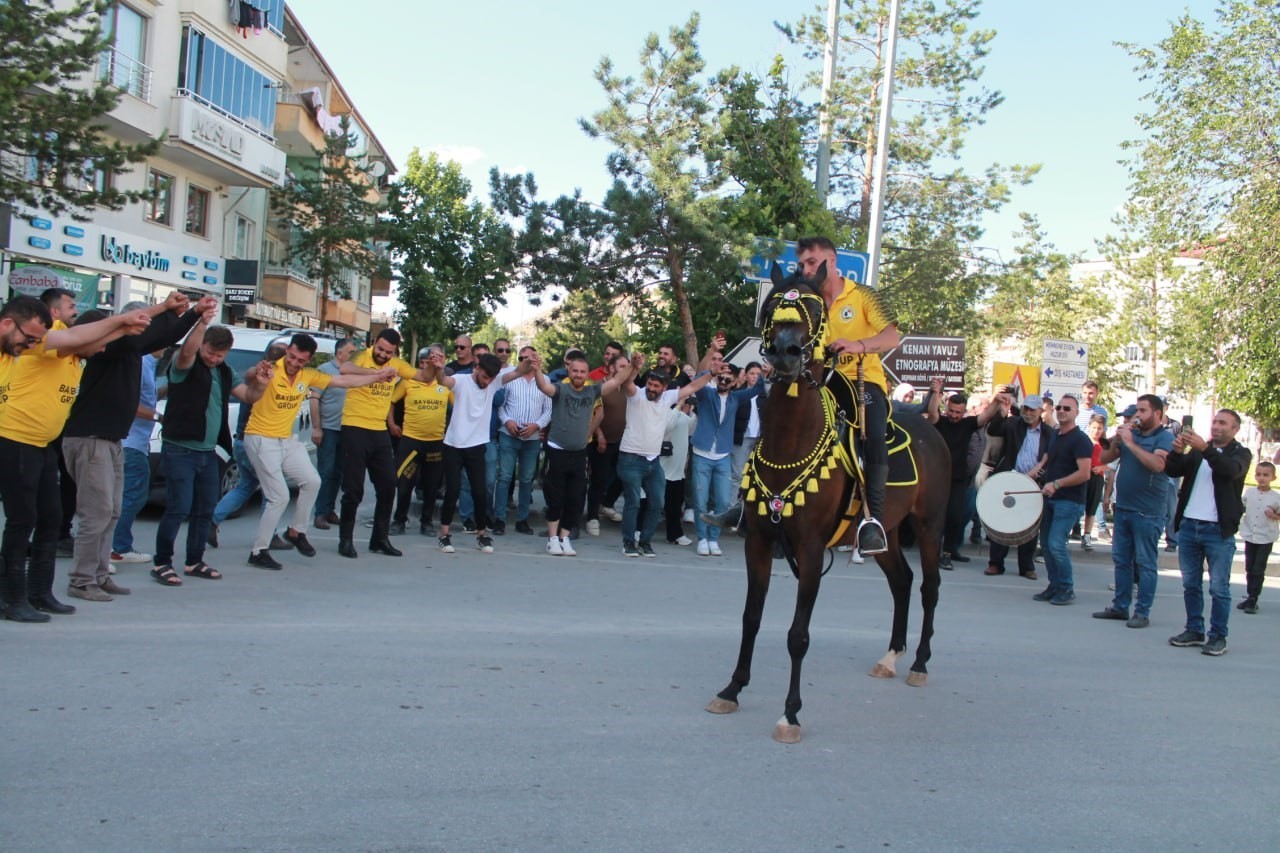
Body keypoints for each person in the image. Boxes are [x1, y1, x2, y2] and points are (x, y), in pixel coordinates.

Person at [0, 296, 152, 618]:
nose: (100, 350)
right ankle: (12, 599)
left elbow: (96, 337)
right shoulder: (45, 344)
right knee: (21, 521)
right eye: (27, 336)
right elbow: (77, 336)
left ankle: (40, 593)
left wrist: (133, 322)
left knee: (52, 519)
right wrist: (130, 319)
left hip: (42, 445)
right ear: (8, 325)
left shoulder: (66, 355)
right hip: (14, 440)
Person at [61, 293, 211, 603]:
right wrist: (167, 310)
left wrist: (193, 313)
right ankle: (82, 579)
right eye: (140, 324)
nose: (146, 331)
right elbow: (152, 333)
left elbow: (166, 335)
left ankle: (99, 575)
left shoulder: (132, 350)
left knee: (112, 512)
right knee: (97, 513)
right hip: (90, 439)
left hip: (111, 440)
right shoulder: (110, 347)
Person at [241, 333, 394, 570]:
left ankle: (296, 531)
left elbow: (344, 382)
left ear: (308, 360)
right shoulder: (271, 369)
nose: (294, 363)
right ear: (287, 352)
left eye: (300, 360)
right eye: (291, 357)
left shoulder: (308, 375)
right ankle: (258, 550)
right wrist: (256, 373)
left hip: (286, 440)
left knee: (313, 481)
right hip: (261, 438)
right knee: (279, 496)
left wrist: (378, 375)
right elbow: (249, 376)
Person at [151, 318, 270, 586]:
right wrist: (202, 321)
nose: (213, 358)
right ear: (202, 346)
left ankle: (194, 561)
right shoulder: (186, 366)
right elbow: (186, 352)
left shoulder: (226, 372)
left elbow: (249, 397)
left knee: (205, 509)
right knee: (178, 508)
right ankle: (162, 562)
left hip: (208, 451)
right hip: (180, 448)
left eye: (219, 355)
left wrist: (261, 383)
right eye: (210, 353)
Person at [801, 235, 899, 554]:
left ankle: (873, 523)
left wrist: (858, 346)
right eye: (802, 264)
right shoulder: (807, 300)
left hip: (861, 381)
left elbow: (892, 337)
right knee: (779, 417)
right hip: (820, 383)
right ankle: (753, 506)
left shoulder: (863, 295)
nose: (806, 269)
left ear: (832, 261)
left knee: (871, 436)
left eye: (812, 262)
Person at [335, 329, 429, 559]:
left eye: (388, 352)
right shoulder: (361, 356)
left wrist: (435, 365)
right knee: (353, 489)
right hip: (354, 427)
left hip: (379, 431)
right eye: (380, 349)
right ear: (374, 343)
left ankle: (379, 538)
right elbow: (345, 368)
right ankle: (345, 540)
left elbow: (424, 377)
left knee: (388, 485)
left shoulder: (396, 363)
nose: (383, 355)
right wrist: (376, 374)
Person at [521, 349, 624, 555]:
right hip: (557, 451)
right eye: (575, 371)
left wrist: (634, 367)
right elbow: (543, 386)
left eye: (582, 371)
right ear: (570, 371)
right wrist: (537, 368)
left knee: (575, 499)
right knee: (556, 498)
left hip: (579, 453)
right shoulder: (560, 389)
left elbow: (614, 382)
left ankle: (565, 538)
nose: (578, 374)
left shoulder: (592, 391)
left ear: (587, 374)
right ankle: (552, 539)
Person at [1165, 409, 1251, 655]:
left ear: (1235, 429)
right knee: (1191, 584)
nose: (1216, 427)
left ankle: (1218, 636)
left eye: (1223, 423)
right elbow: (1172, 470)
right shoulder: (1199, 452)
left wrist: (1205, 449)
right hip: (1191, 525)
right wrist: (1178, 451)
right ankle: (1194, 629)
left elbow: (1229, 471)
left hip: (1218, 529)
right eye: (1214, 422)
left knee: (1219, 588)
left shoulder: (1240, 454)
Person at [616, 353, 713, 557]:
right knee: (633, 502)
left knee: (657, 503)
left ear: (664, 388)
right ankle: (628, 542)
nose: (651, 389)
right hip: (630, 458)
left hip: (653, 461)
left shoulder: (668, 397)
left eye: (656, 386)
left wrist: (712, 372)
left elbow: (693, 387)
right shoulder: (637, 395)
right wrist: (634, 367)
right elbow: (626, 382)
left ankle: (645, 542)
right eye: (649, 384)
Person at [1090, 394, 1174, 628]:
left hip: (1148, 511)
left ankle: (1142, 612)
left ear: (1157, 414)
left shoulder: (1164, 437)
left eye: (1143, 411)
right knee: (1121, 560)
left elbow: (1158, 465)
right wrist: (1118, 439)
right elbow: (1105, 458)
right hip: (1124, 507)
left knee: (1146, 563)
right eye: (1137, 410)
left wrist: (1130, 443)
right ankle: (1120, 607)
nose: (1138, 416)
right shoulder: (1131, 435)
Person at [424, 350, 512, 554]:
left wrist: (531, 364)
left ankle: (482, 535)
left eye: (491, 378)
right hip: (453, 445)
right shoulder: (462, 381)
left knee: (480, 492)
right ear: (477, 368)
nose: (487, 382)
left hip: (477, 445)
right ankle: (444, 534)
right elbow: (444, 381)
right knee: (452, 490)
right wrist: (438, 368)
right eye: (484, 377)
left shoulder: (494, 382)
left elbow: (516, 373)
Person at [209, 339, 288, 545]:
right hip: (259, 443)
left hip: (242, 441)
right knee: (271, 490)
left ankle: (212, 520)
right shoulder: (269, 381)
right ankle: (268, 536)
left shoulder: (256, 378)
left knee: (245, 486)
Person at [691, 340, 763, 557]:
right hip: (702, 454)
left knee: (722, 500)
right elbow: (698, 376)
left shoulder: (736, 398)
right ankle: (702, 538)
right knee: (701, 499)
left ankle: (714, 538)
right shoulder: (707, 394)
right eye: (720, 377)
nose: (722, 381)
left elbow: (758, 388)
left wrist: (767, 371)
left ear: (733, 383)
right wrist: (711, 353)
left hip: (722, 455)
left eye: (727, 379)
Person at [1031, 394, 1094, 606]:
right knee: (1047, 546)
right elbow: (1044, 462)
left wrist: (1057, 484)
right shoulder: (1056, 435)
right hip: (1050, 498)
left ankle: (1066, 588)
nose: (1062, 411)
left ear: (1076, 413)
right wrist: (1022, 478)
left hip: (1069, 500)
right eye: (1059, 407)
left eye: (1067, 408)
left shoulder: (1081, 440)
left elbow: (1085, 473)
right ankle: (1054, 585)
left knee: (1056, 544)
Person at [983, 392, 1050, 580]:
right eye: (1025, 408)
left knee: (1030, 525)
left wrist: (1040, 475)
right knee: (1002, 522)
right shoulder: (1014, 424)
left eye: (1032, 409)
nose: (1027, 412)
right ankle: (996, 563)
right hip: (1010, 479)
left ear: (1040, 411)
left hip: (1033, 483)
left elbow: (1049, 459)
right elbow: (994, 430)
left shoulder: (1048, 433)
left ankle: (1026, 566)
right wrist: (1002, 413)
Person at [933, 391, 1002, 568]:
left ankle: (948, 552)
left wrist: (996, 401)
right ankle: (935, 552)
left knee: (956, 516)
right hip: (938, 478)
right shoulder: (940, 421)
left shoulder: (967, 424)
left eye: (958, 412)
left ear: (964, 411)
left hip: (959, 479)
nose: (954, 415)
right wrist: (935, 393)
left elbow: (986, 415)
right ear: (947, 408)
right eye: (951, 411)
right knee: (938, 517)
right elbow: (933, 413)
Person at [389, 345, 451, 536]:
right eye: (423, 363)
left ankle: (427, 522)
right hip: (410, 441)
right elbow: (390, 401)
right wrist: (391, 423)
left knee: (432, 486)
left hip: (435, 442)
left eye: (430, 362)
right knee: (405, 482)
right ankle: (399, 520)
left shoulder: (446, 384)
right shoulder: (408, 381)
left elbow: (462, 406)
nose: (426, 366)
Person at [492, 345, 552, 536]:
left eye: (530, 358)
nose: (526, 361)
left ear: (537, 360)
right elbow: (499, 403)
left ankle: (522, 519)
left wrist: (537, 425)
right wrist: (507, 421)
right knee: (504, 478)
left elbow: (549, 410)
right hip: (509, 435)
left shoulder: (545, 380)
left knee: (527, 480)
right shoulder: (509, 377)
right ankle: (499, 519)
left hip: (532, 438)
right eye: (522, 358)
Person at [110, 349, 162, 564]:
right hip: (131, 442)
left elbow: (145, 397)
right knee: (133, 496)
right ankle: (116, 548)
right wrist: (159, 416)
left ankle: (116, 546)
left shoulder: (147, 363)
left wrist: (166, 391)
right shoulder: (140, 363)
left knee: (126, 496)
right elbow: (128, 401)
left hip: (134, 442)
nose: (168, 346)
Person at [310, 337, 359, 530]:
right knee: (326, 471)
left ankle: (330, 510)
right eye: (351, 353)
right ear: (340, 353)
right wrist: (317, 427)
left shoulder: (354, 373)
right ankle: (320, 513)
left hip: (347, 429)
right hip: (329, 429)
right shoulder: (325, 370)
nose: (354, 357)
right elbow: (314, 399)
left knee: (339, 472)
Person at [586, 352, 629, 534]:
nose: (625, 370)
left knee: (624, 476)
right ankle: (592, 517)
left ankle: (607, 504)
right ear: (611, 368)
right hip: (601, 442)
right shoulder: (600, 387)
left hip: (622, 442)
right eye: (622, 367)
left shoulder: (627, 388)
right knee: (599, 480)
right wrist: (600, 434)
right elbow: (593, 413)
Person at [1238, 460, 1280, 614]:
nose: (1262, 478)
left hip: (1266, 537)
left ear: (1273, 478)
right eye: (1259, 474)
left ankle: (1254, 597)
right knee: (1249, 567)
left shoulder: (1276, 497)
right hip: (1250, 535)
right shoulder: (1249, 492)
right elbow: (1241, 506)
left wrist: (1274, 515)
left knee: (1258, 569)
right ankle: (1250, 595)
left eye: (1266, 475)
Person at [1080, 414, 1108, 551]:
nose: (1096, 431)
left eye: (1099, 428)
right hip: (1083, 476)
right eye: (1094, 428)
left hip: (1097, 478)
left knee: (1092, 508)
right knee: (1078, 505)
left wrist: (1102, 468)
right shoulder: (1083, 441)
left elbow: (1109, 463)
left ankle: (1087, 535)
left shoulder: (1105, 444)